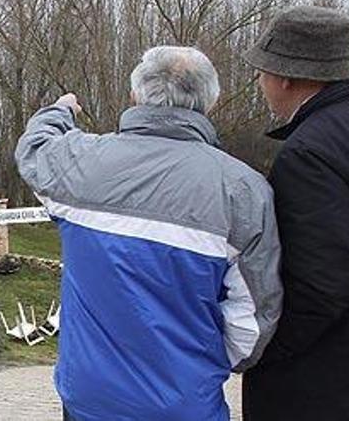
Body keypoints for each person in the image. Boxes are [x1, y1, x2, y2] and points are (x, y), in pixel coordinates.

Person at [15, 46, 282, 421]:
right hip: (185, 403)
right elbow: (251, 321)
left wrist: (60, 110)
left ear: (135, 95)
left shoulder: (81, 164)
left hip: (88, 401)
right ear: (210, 103)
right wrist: (201, 363)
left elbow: (33, 148)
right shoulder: (242, 189)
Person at [241, 6, 349, 420]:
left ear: (284, 76)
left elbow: (320, 286)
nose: (260, 83)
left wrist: (262, 349)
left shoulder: (310, 153)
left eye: (261, 72)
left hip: (325, 382)